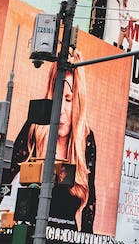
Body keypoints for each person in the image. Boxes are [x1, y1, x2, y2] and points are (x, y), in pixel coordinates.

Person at [6, 54, 96, 231]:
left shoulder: (86, 139)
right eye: (57, 97)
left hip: (65, 241)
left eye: (69, 99)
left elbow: (90, 203)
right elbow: (6, 184)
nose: (61, 109)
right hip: (28, 235)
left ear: (78, 102)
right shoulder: (35, 126)